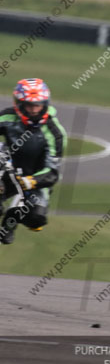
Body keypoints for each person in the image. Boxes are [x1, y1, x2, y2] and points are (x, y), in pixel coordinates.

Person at [0, 78, 67, 245]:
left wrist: (29, 182)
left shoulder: (55, 132)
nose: (34, 110)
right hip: (7, 170)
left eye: (38, 105)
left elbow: (52, 173)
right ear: (19, 104)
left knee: (36, 218)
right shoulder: (7, 117)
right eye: (29, 105)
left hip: (36, 179)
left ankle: (11, 221)